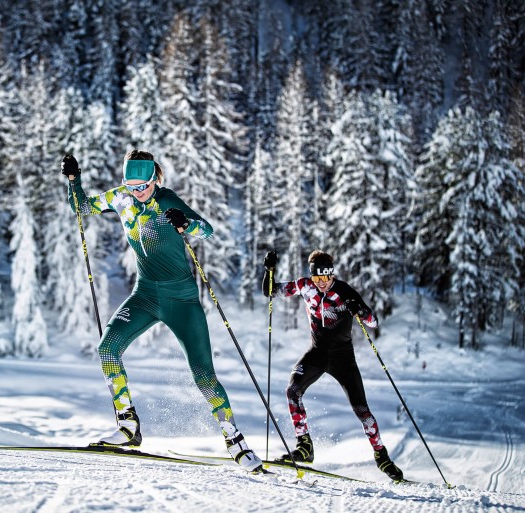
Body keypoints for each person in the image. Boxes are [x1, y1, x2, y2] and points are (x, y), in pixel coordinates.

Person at [62, 150, 264, 473]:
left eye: (143, 185)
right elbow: (81, 208)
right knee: (108, 349)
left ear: (155, 179)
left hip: (182, 299)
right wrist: (75, 181)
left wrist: (186, 223)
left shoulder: (167, 200)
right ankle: (128, 425)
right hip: (145, 295)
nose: (138, 192)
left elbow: (206, 229)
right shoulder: (122, 199)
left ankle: (234, 437)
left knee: (203, 375)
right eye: (132, 186)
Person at [261, 249, 404, 482]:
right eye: (317, 278)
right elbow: (270, 291)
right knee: (292, 391)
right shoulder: (305, 286)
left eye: (325, 278)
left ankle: (382, 456)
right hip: (317, 353)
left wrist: (361, 310)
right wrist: (268, 270)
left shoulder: (344, 291)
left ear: (332, 274)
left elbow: (373, 322)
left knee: (363, 412)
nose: (322, 283)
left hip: (343, 358)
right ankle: (305, 446)